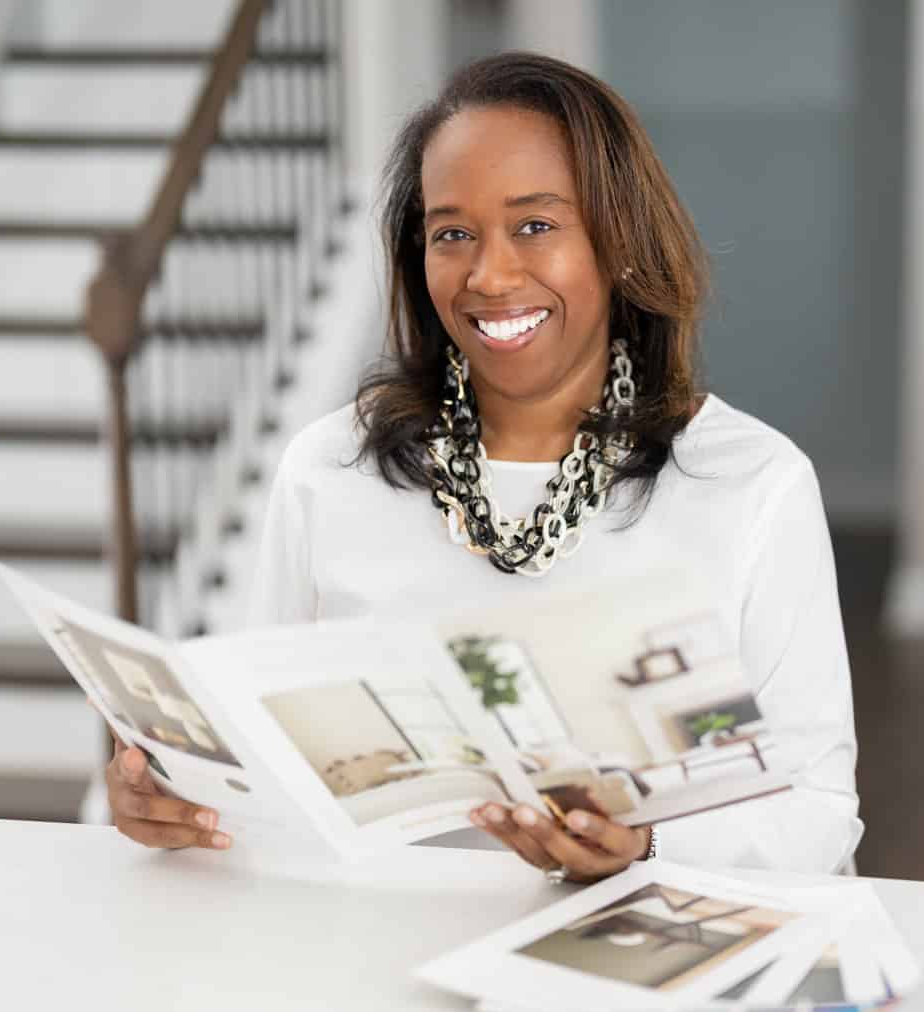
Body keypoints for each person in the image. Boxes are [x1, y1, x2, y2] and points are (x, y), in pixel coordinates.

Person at [103, 52, 861, 880]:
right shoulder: (328, 470)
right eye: (452, 234)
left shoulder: (750, 485)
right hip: (377, 955)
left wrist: (645, 846)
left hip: (633, 967)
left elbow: (820, 813)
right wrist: (180, 798)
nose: (490, 276)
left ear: (619, 243)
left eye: (536, 225)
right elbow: (266, 763)